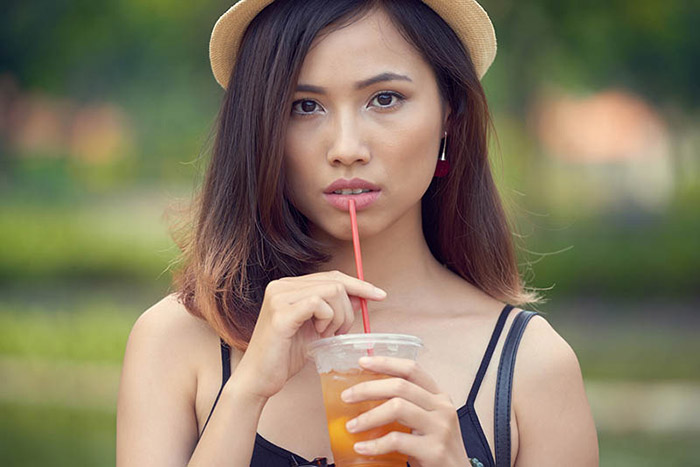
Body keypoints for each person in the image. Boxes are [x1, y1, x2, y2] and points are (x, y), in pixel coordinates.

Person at [116, 0, 599, 466]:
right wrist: (245, 394)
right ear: (261, 128)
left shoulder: (533, 368)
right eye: (304, 106)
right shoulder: (178, 342)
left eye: (385, 99)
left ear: (450, 113)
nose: (346, 148)